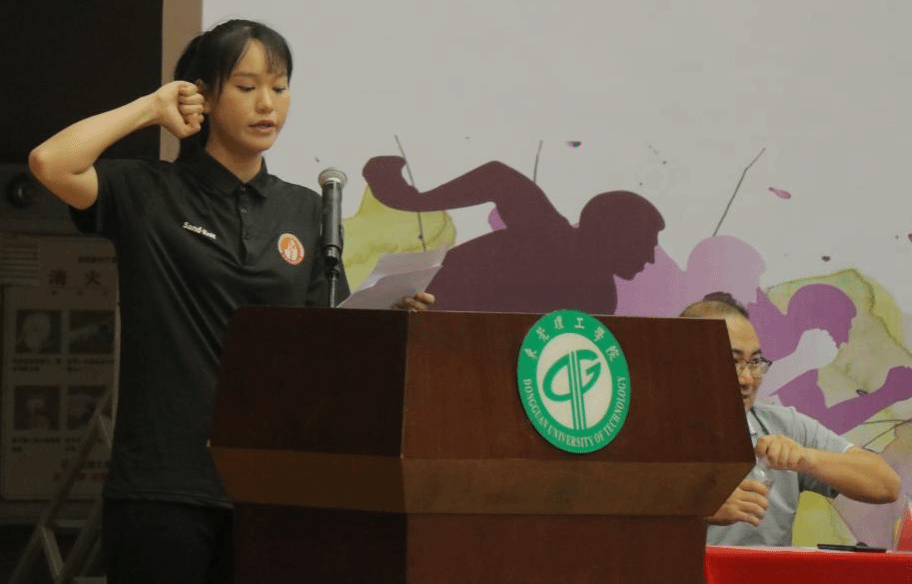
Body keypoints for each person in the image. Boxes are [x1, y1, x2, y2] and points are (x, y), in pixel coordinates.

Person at [28, 19, 433, 584]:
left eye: (280, 87)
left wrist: (386, 321)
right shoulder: (149, 192)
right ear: (203, 95)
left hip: (272, 481)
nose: (268, 104)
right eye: (247, 87)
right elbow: (51, 162)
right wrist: (151, 108)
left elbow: (326, 340)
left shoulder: (305, 209)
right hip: (164, 484)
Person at [680, 295, 900, 546]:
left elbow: (886, 485)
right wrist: (694, 509)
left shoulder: (783, 427)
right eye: (733, 361)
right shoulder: (648, 432)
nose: (747, 380)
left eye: (755, 362)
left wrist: (805, 458)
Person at [362, 155, 663, 314]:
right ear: (615, 233)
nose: (650, 258)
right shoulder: (550, 232)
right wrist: (410, 200)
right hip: (418, 315)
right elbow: (498, 177)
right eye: (645, 244)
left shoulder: (601, 297)